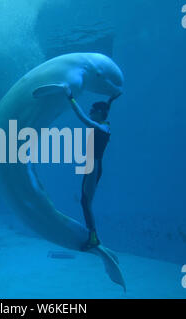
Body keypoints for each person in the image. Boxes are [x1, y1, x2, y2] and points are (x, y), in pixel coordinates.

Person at [63, 85, 122, 250]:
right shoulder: (105, 124)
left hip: (93, 167)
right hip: (93, 165)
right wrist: (112, 99)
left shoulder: (102, 127)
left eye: (93, 110)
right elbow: (105, 109)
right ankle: (92, 235)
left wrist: (70, 97)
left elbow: (82, 117)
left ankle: (93, 237)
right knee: (85, 200)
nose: (90, 112)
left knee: (86, 202)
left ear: (99, 113)